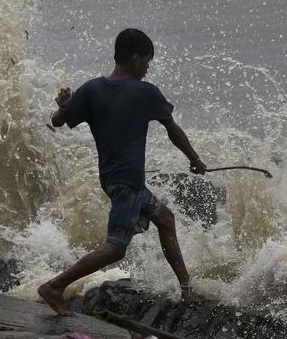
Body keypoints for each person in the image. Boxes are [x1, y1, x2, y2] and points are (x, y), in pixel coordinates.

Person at [37, 28, 207, 316]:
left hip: (117, 180)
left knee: (165, 220)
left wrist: (66, 103)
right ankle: (54, 286)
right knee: (116, 249)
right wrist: (195, 159)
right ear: (135, 58)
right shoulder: (146, 92)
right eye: (147, 61)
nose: (148, 67)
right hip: (127, 182)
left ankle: (187, 290)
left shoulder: (91, 90)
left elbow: (57, 120)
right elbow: (173, 130)